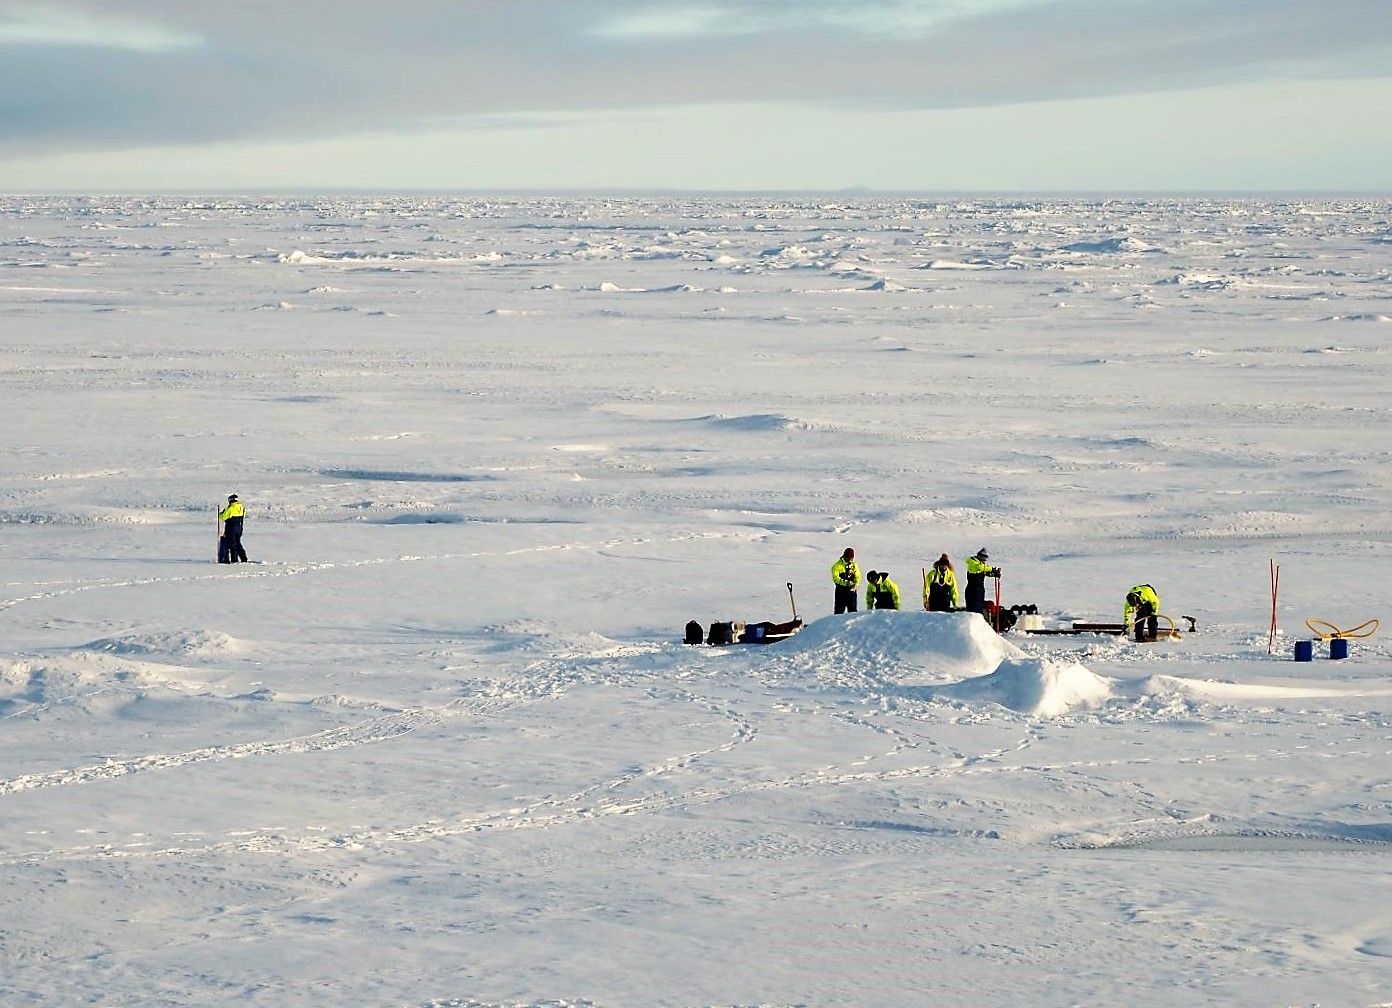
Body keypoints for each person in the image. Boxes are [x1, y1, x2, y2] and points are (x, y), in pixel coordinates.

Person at [964, 548, 1001, 615]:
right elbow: (980, 568)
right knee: (973, 608)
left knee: (979, 607)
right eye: (984, 558)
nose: (984, 560)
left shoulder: (981, 564)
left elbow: (984, 571)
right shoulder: (973, 562)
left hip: (979, 589)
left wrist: (993, 574)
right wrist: (992, 569)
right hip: (972, 589)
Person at [219, 494, 248, 564]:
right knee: (238, 543)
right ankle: (244, 558)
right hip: (239, 527)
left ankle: (234, 560)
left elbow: (223, 517)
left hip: (231, 528)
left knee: (232, 545)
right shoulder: (241, 507)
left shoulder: (231, 508)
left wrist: (220, 513)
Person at [831, 547, 860, 614]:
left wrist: (856, 584)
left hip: (851, 591)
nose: (850, 560)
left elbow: (858, 576)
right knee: (839, 611)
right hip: (841, 591)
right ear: (845, 556)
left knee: (853, 611)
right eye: (849, 558)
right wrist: (846, 583)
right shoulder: (836, 566)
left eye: (852, 558)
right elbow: (835, 579)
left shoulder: (854, 565)